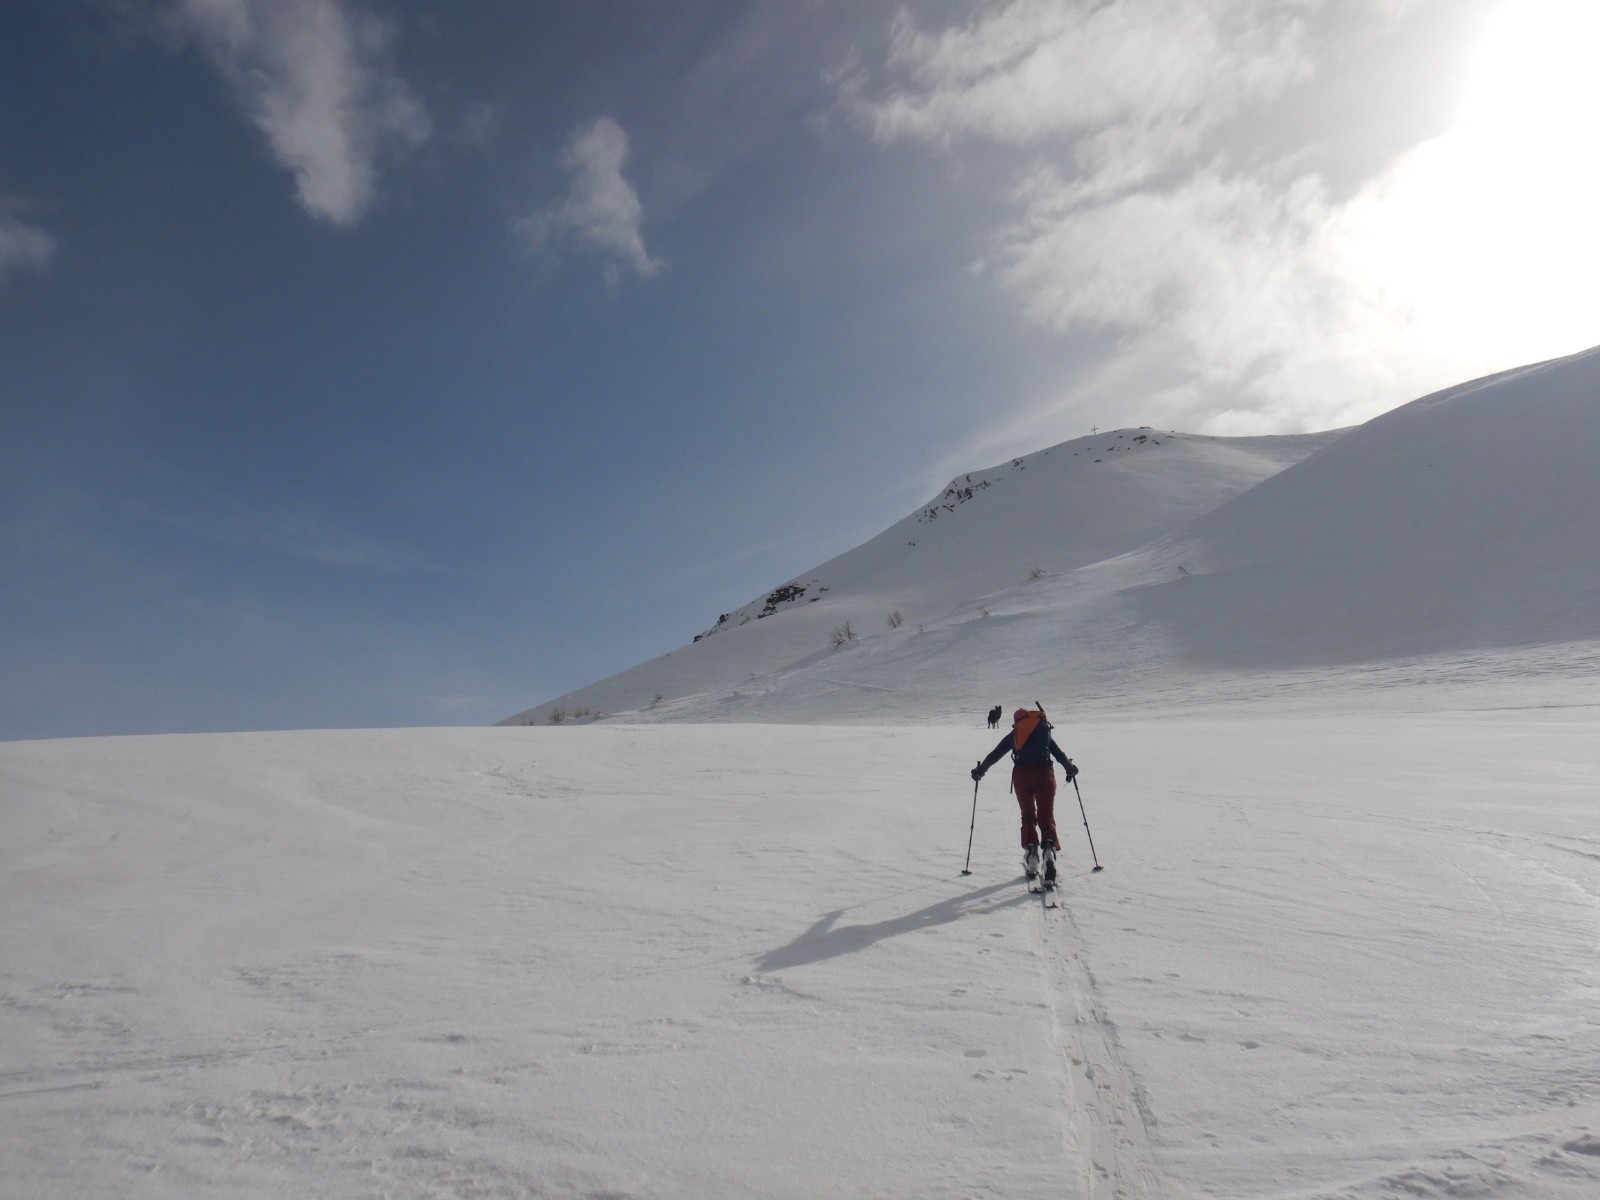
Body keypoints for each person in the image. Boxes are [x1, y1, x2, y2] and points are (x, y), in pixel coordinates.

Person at [970, 708, 1078, 882]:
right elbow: (1058, 753)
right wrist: (1070, 768)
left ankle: (1032, 855)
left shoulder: (1016, 734)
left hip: (1022, 777)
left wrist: (980, 771)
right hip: (1045, 775)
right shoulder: (1044, 732)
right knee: (1046, 816)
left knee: (1028, 816)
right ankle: (1049, 852)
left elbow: (995, 754)